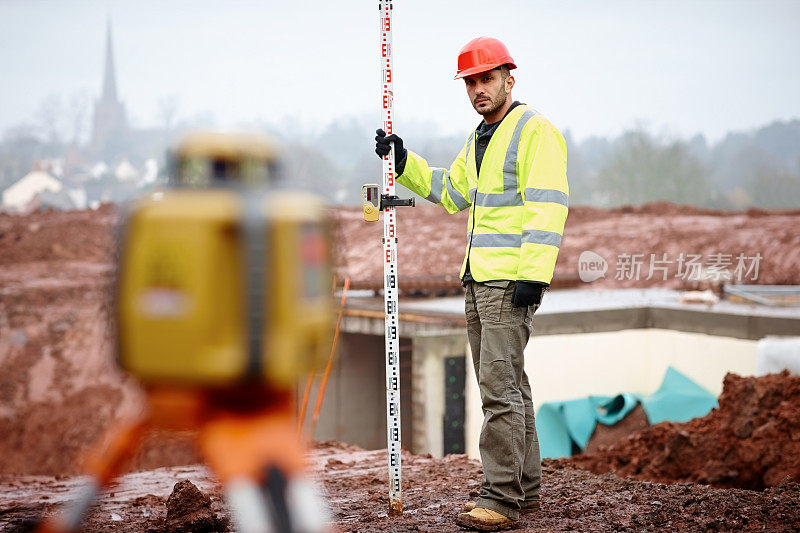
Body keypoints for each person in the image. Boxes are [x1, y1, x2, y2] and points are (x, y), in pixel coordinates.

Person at [375, 36, 569, 531]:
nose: (478, 89)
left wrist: (533, 276)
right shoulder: (480, 137)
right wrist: (404, 162)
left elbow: (547, 208)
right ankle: (524, 491)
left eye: (487, 78)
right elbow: (454, 192)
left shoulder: (534, 131)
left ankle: (500, 499)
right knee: (512, 388)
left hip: (509, 283)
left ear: (509, 77)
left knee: (499, 392)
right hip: (479, 279)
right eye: (471, 82)